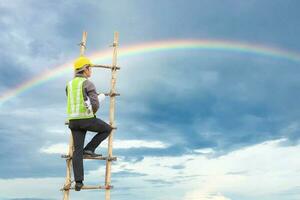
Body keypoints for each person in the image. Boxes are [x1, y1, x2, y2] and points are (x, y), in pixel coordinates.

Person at [66, 56, 113, 191]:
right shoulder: (88, 83)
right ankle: (90, 149)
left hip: (73, 121)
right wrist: (93, 111)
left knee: (77, 151)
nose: (91, 71)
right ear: (85, 69)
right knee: (106, 129)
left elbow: (74, 99)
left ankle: (79, 182)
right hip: (86, 119)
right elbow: (94, 104)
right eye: (90, 68)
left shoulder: (69, 84)